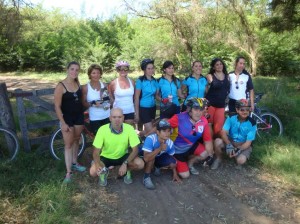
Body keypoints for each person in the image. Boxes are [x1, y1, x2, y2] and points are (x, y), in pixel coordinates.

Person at [89, 108, 144, 187]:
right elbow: (96, 151)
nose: (117, 120)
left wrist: (125, 163)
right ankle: (104, 171)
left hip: (122, 156)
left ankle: (127, 170)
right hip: (106, 157)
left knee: (140, 164)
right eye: (114, 117)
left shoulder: (129, 128)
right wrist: (97, 164)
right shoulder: (102, 129)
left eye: (119, 117)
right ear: (110, 118)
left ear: (123, 118)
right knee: (93, 172)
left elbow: (135, 150)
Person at [54, 61, 86, 183]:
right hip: (67, 118)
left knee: (77, 140)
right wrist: (62, 122)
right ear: (67, 69)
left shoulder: (77, 83)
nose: (74, 72)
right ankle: (68, 172)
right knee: (68, 145)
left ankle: (75, 162)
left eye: (77, 70)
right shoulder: (61, 86)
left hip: (79, 117)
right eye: (72, 69)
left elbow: (81, 101)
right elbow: (57, 106)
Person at [168, 98, 214, 178]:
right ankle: (174, 161)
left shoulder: (204, 121)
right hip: (177, 151)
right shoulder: (178, 118)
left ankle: (190, 163)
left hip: (191, 146)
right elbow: (162, 129)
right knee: (185, 175)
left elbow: (208, 141)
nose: (199, 113)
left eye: (201, 109)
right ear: (189, 110)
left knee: (207, 153)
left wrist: (210, 156)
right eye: (196, 109)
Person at [211, 99, 257, 170]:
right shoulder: (231, 117)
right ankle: (218, 159)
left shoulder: (252, 123)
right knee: (217, 141)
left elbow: (248, 142)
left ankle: (236, 157)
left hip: (243, 143)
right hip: (231, 140)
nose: (245, 112)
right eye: (242, 110)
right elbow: (223, 132)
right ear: (237, 110)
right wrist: (229, 144)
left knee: (240, 160)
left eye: (247, 110)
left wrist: (239, 149)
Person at [142, 119, 181, 190]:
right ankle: (146, 177)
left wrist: (175, 174)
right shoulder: (150, 138)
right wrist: (160, 148)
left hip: (158, 157)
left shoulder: (170, 143)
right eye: (164, 131)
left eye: (168, 131)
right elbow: (146, 158)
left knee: (173, 163)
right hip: (145, 157)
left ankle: (157, 166)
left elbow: (171, 157)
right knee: (151, 157)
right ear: (157, 132)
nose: (167, 133)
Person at [82, 64, 110, 135]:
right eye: (93, 73)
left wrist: (105, 101)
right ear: (89, 74)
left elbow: (107, 103)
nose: (96, 75)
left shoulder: (104, 85)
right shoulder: (86, 87)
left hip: (106, 116)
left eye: (98, 73)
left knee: (107, 139)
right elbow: (84, 102)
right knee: (98, 141)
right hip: (95, 118)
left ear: (100, 74)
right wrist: (93, 103)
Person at [206, 58, 230, 138]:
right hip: (210, 105)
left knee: (218, 128)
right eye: (217, 64)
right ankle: (210, 145)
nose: (219, 66)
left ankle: (217, 145)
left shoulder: (228, 77)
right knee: (209, 124)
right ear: (213, 67)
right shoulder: (210, 76)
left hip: (221, 106)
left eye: (221, 64)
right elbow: (206, 90)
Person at [134, 59, 159, 135]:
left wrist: (164, 100)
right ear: (144, 69)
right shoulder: (140, 81)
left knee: (150, 130)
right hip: (144, 108)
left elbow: (157, 96)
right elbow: (136, 97)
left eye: (152, 68)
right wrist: (137, 114)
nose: (151, 70)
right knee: (152, 132)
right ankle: (147, 142)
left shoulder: (155, 81)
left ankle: (139, 135)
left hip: (153, 107)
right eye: (149, 68)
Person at [109, 61, 135, 126]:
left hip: (130, 110)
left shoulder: (132, 82)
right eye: (120, 69)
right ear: (117, 70)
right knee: (117, 133)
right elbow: (111, 97)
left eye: (125, 69)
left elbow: (134, 97)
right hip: (117, 112)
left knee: (128, 132)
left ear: (128, 70)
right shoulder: (113, 83)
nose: (123, 71)